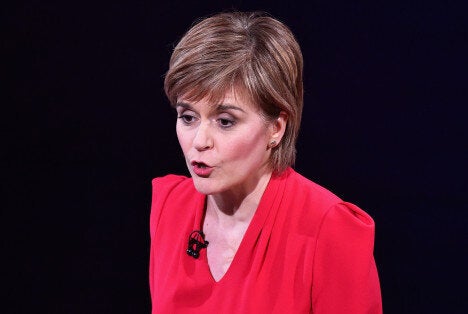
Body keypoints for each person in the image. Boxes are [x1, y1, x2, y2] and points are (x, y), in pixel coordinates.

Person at [149, 11, 382, 313]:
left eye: (225, 121)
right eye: (188, 117)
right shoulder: (171, 206)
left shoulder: (329, 229)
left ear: (276, 128)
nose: (199, 141)